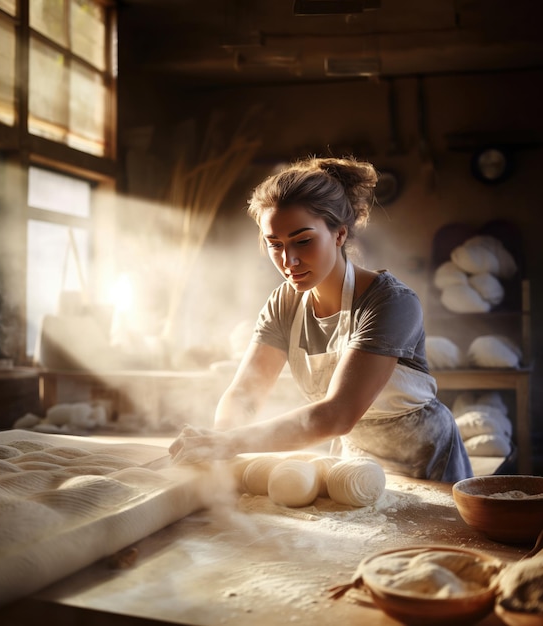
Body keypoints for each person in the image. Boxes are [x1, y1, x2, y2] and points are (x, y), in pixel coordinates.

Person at [169, 156, 473, 482]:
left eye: (303, 241)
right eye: (275, 245)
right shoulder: (284, 304)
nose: (289, 261)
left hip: (428, 462)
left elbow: (338, 415)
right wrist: (218, 440)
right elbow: (245, 394)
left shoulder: (391, 302)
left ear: (339, 235)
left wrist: (229, 443)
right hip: (356, 467)